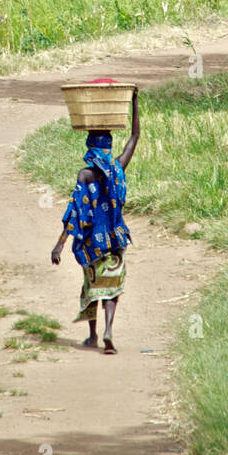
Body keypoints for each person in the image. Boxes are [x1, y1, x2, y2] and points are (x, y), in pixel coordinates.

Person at [51, 86, 140, 354]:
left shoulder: (85, 175)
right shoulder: (118, 167)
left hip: (92, 242)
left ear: (90, 147)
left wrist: (59, 245)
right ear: (109, 147)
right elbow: (135, 136)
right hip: (115, 238)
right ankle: (109, 329)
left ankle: (92, 336)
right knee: (112, 287)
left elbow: (75, 212)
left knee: (91, 286)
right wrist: (135, 101)